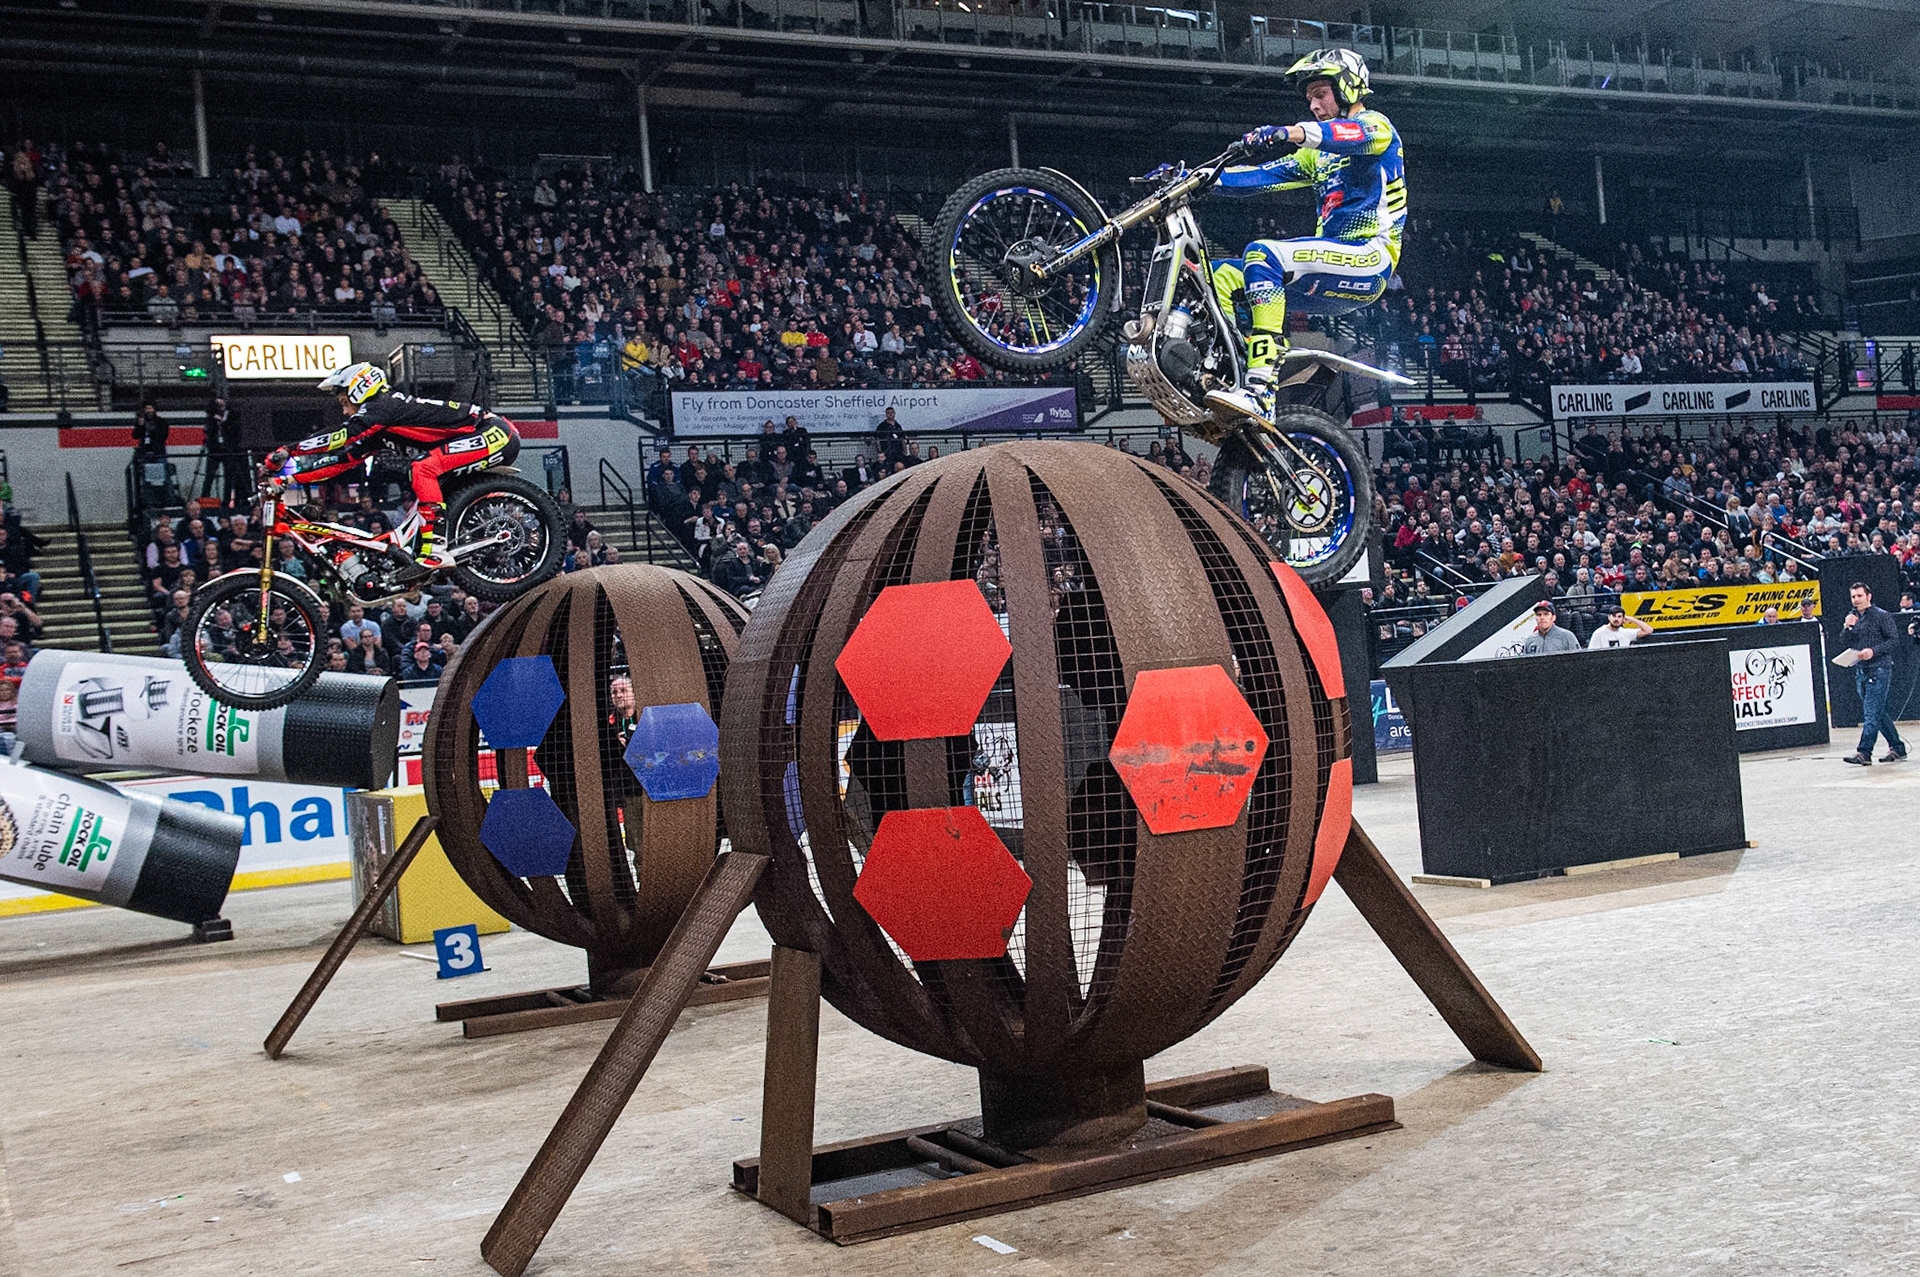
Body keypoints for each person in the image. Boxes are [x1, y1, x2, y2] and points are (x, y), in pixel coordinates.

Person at [1207, 48, 1405, 423]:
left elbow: (1343, 135)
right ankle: (1229, 375)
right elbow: (1260, 176)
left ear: (1347, 88)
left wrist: (1287, 132)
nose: (1313, 105)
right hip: (1328, 271)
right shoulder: (1316, 155)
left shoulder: (1377, 127)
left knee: (1263, 254)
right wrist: (1196, 178)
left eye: (1320, 94)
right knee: (1217, 275)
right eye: (1309, 98)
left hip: (1369, 258)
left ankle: (1261, 390)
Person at [270, 362, 520, 580]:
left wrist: (289, 451)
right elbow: (342, 460)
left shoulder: (383, 406)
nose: (345, 411)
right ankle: (442, 548)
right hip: (484, 438)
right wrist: (289, 479)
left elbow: (343, 435)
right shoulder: (380, 422)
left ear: (359, 388)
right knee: (424, 478)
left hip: (494, 433)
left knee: (422, 468)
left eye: (345, 403)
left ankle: (436, 550)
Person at [1841, 581, 1904, 765]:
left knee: (1871, 713)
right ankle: (1897, 747)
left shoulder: (1881, 616)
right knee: (1878, 711)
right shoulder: (1853, 617)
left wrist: (1873, 651)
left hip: (1879, 668)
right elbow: (1844, 640)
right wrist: (1847, 627)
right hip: (1861, 669)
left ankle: (1864, 752)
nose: (1856, 600)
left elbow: (1893, 640)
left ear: (1869, 596)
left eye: (1859, 596)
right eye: (1853, 596)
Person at [1587, 604, 1653, 650]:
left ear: (1623, 618)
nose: (1616, 619)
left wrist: (1632, 619)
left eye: (1619, 617)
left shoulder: (1626, 632)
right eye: (1614, 616)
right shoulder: (1598, 633)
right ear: (1609, 617)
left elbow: (1648, 630)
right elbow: (1591, 654)